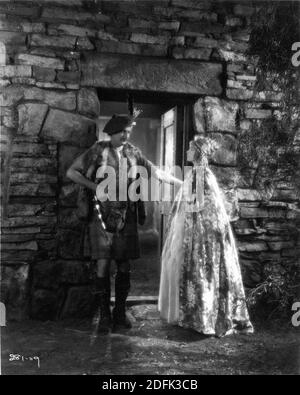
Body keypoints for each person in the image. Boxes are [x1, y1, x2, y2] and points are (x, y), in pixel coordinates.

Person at [67, 114, 182, 334]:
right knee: (102, 264)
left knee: (124, 266)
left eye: (128, 132)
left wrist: (182, 184)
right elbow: (71, 172)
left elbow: (155, 172)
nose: (126, 137)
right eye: (122, 133)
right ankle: (104, 315)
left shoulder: (133, 152)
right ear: (112, 133)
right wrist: (95, 187)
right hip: (101, 215)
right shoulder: (98, 150)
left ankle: (119, 313)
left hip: (126, 216)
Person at [158, 136, 254, 337]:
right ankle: (194, 313)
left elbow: (209, 208)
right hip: (191, 227)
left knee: (200, 266)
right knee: (183, 264)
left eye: (190, 149)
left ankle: (202, 315)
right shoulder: (195, 173)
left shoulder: (202, 175)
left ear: (198, 153)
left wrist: (192, 223)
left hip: (201, 231)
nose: (186, 153)